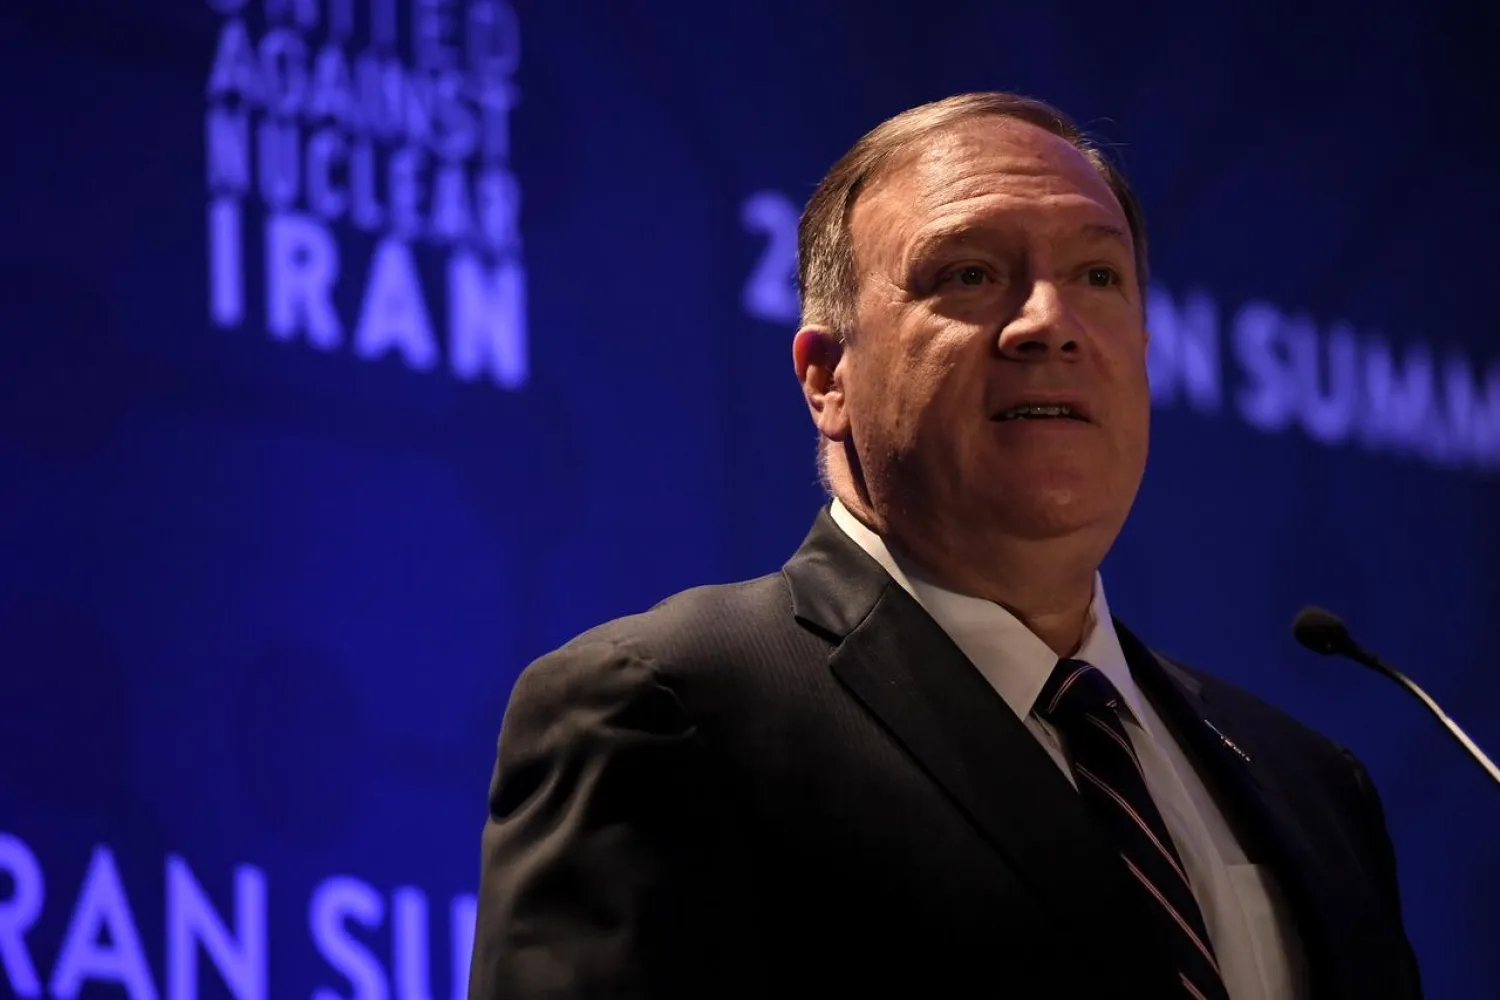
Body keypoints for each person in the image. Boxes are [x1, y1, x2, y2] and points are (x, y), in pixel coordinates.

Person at [465, 92, 1423, 999]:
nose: (1051, 321)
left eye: (1098, 275)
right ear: (826, 377)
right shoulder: (670, 711)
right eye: (969, 273)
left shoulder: (1309, 786)